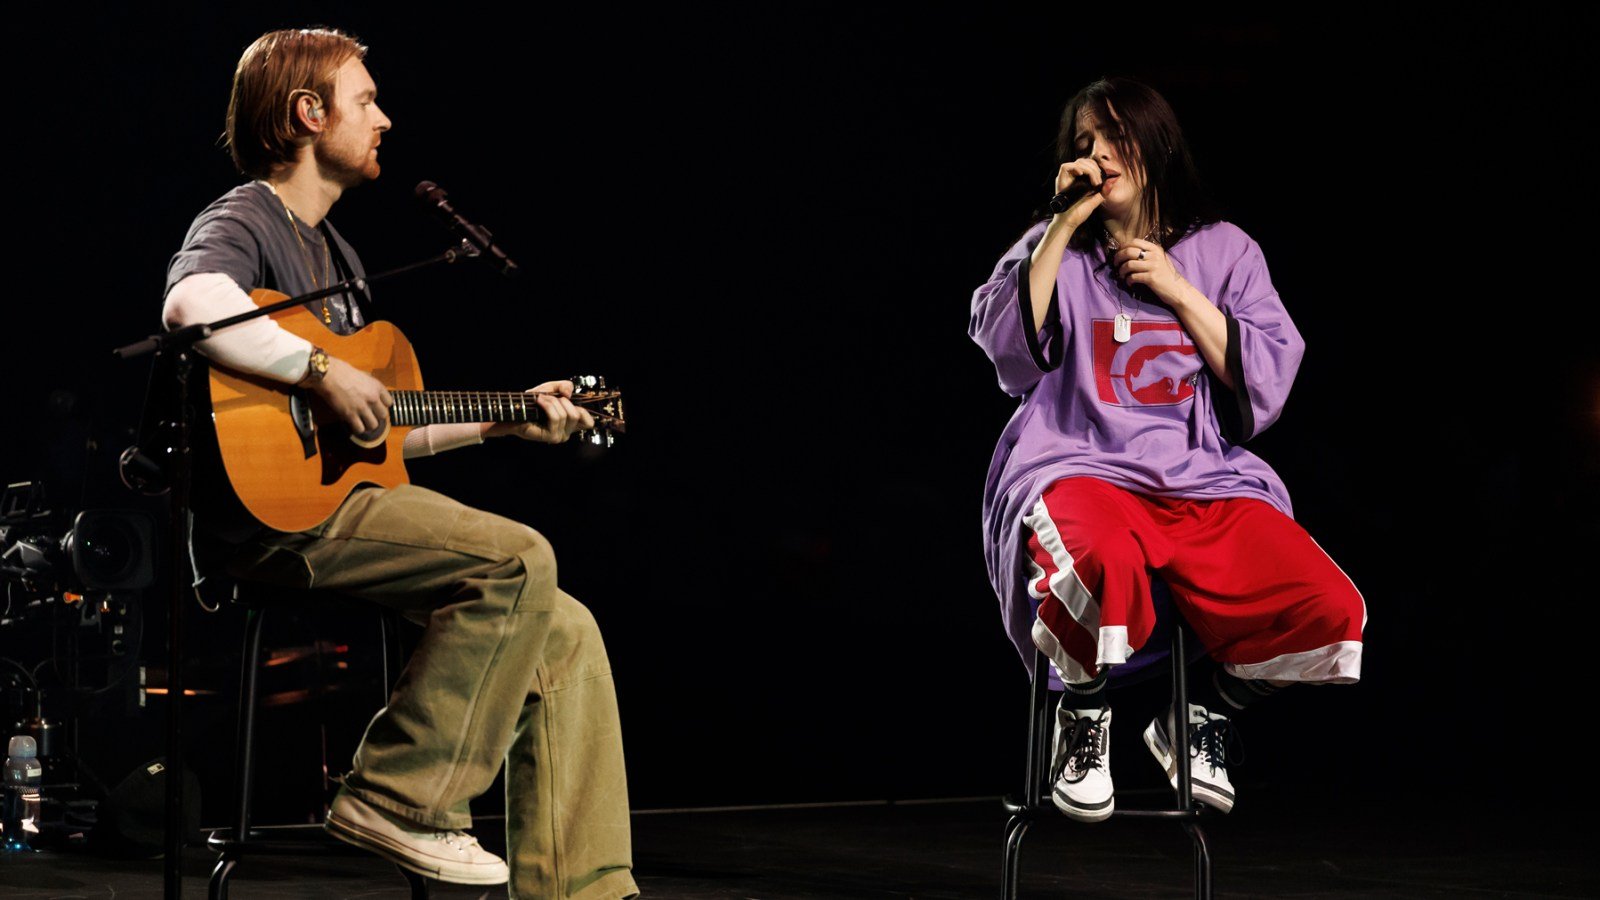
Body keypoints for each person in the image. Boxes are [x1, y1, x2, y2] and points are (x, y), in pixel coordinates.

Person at [159, 28, 638, 899]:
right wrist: (318, 366)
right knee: (519, 557)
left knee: (568, 634)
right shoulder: (247, 216)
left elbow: (384, 436)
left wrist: (505, 423)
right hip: (276, 525)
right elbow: (192, 303)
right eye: (366, 99)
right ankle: (398, 794)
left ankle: (587, 892)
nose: (385, 116)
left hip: (344, 510)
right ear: (309, 113)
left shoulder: (340, 259)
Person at [968, 77, 1366, 823]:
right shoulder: (1054, 246)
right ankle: (1082, 719)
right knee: (1095, 552)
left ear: (1156, 145)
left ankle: (1198, 717)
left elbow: (1268, 377)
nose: (1098, 154)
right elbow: (1005, 349)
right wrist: (1060, 224)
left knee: (1328, 606)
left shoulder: (1224, 250)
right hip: (1077, 463)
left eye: (1114, 136)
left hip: (1199, 479)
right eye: (1083, 143)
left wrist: (1180, 291)